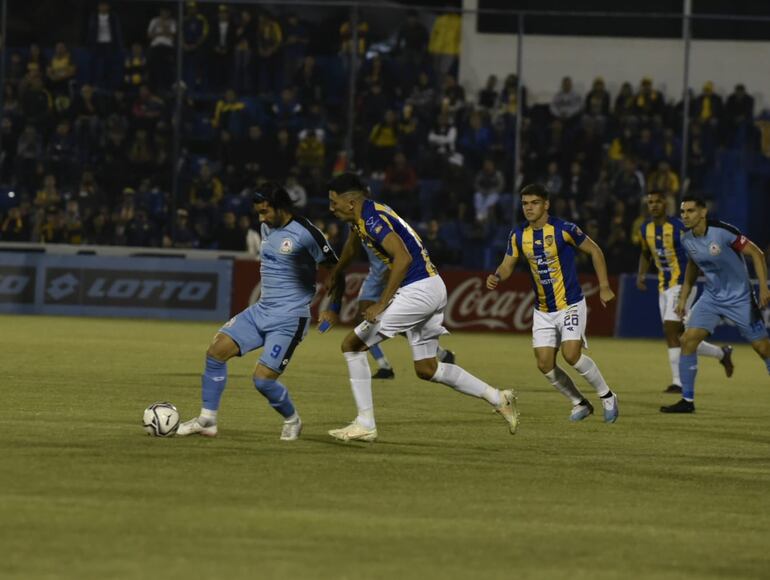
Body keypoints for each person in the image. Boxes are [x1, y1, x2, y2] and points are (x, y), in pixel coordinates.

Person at [319, 173, 517, 442]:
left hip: (418, 290)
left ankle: (365, 423)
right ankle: (498, 397)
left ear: (350, 202)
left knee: (352, 346)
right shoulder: (362, 217)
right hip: (431, 287)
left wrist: (382, 303)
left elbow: (403, 258)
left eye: (334, 202)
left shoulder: (373, 219)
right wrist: (337, 271)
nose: (331, 208)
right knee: (427, 368)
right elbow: (352, 249)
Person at [177, 183, 340, 440]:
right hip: (261, 310)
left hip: (289, 318)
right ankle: (207, 420)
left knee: (263, 380)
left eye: (265, 211)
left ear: (281, 207)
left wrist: (333, 307)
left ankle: (293, 420)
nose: (261, 218)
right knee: (215, 353)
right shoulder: (266, 227)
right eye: (258, 213)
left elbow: (335, 269)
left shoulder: (307, 234)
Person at [486, 183, 619, 423]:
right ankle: (580, 403)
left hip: (570, 304)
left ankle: (607, 396)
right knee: (544, 364)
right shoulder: (518, 234)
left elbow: (595, 251)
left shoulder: (564, 229)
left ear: (546, 204)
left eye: (534, 203)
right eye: (525, 203)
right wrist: (497, 276)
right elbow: (507, 264)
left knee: (571, 355)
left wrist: (604, 286)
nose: (529, 208)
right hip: (543, 310)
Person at [660, 197, 770, 413]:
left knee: (763, 348)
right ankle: (687, 401)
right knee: (688, 340)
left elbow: (757, 254)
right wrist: (683, 297)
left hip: (740, 299)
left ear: (703, 212)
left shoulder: (723, 232)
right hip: (711, 298)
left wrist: (764, 288)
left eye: (690, 211)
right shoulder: (686, 239)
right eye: (683, 212)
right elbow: (692, 266)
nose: (685, 216)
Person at [636, 191, 733, 394]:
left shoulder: (679, 227)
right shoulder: (645, 228)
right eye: (650, 202)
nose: (654, 205)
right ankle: (721, 353)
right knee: (682, 336)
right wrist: (641, 275)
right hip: (663, 287)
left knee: (670, 330)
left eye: (658, 201)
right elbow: (645, 253)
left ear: (666, 203)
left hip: (682, 284)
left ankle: (678, 382)